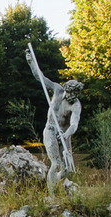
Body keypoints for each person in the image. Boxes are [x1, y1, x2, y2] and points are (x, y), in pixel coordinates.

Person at [26, 43, 83, 190]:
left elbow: (74, 124)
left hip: (64, 133)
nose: (73, 98)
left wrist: (66, 135)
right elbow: (41, 78)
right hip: (51, 130)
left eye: (76, 95)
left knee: (67, 169)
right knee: (56, 163)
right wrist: (31, 62)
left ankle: (53, 184)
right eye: (71, 94)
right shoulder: (57, 90)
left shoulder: (75, 104)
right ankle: (51, 196)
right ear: (66, 90)